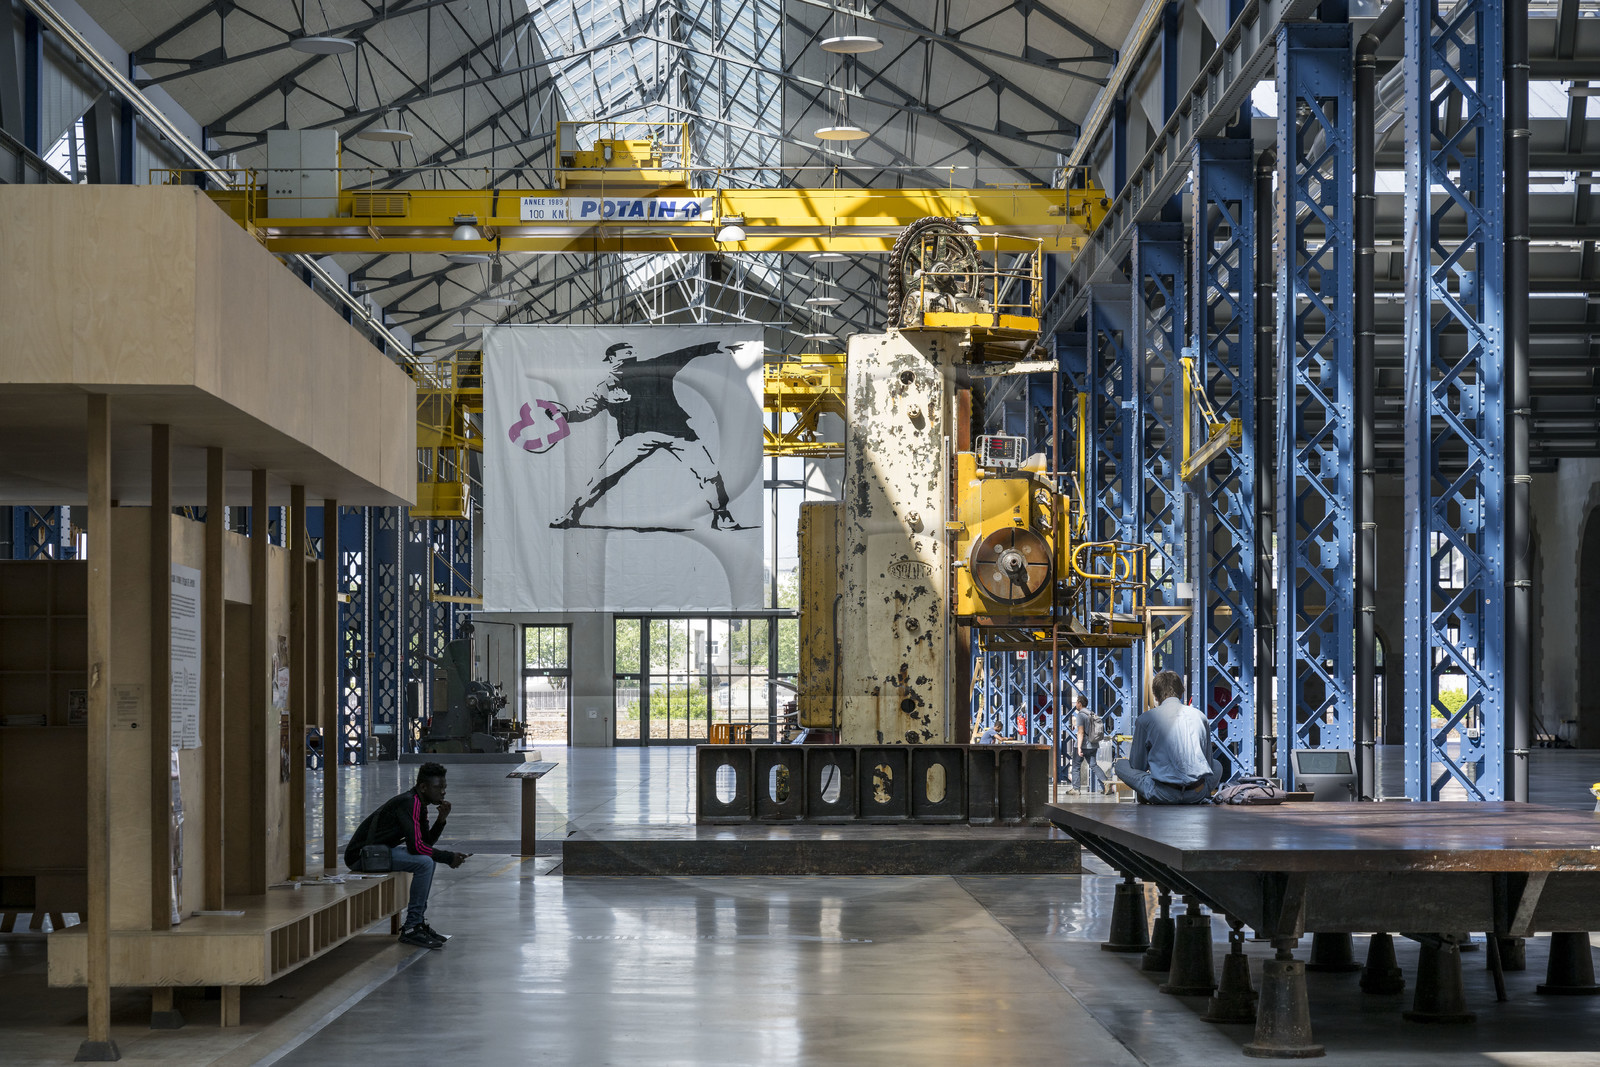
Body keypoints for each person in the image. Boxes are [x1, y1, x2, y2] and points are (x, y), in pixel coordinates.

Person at [550, 340, 743, 530]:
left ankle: (722, 514)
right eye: (626, 353)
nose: (629, 355)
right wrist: (564, 416)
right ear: (615, 358)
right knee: (603, 476)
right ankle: (722, 515)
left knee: (707, 471)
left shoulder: (650, 368)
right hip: (653, 435)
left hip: (669, 433)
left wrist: (715, 346)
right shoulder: (612, 384)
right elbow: (587, 411)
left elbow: (687, 352)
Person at [345, 762, 472, 948]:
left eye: (444, 787)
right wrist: (448, 857)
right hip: (362, 856)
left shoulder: (419, 803)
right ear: (423, 787)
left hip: (379, 853)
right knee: (425, 863)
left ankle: (418, 922)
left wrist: (441, 820)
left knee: (427, 860)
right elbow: (416, 847)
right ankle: (412, 927)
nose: (443, 792)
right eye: (438, 787)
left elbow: (425, 844)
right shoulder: (409, 802)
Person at [1114, 670, 1223, 804]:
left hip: (1163, 794)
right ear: (1181, 692)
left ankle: (1147, 794)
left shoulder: (1146, 719)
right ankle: (1201, 792)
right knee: (1217, 765)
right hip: (1196, 792)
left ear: (1155, 696)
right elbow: (1208, 762)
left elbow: (1137, 766)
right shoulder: (1200, 717)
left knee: (1120, 764)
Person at [1073, 695, 1105, 794]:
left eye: (1076, 702)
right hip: (1094, 744)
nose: (1075, 704)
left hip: (1084, 745)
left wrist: (1078, 748)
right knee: (1094, 765)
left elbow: (1080, 732)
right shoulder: (1091, 714)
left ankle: (1076, 789)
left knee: (1076, 766)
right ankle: (1106, 785)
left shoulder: (1080, 715)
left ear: (1080, 703)